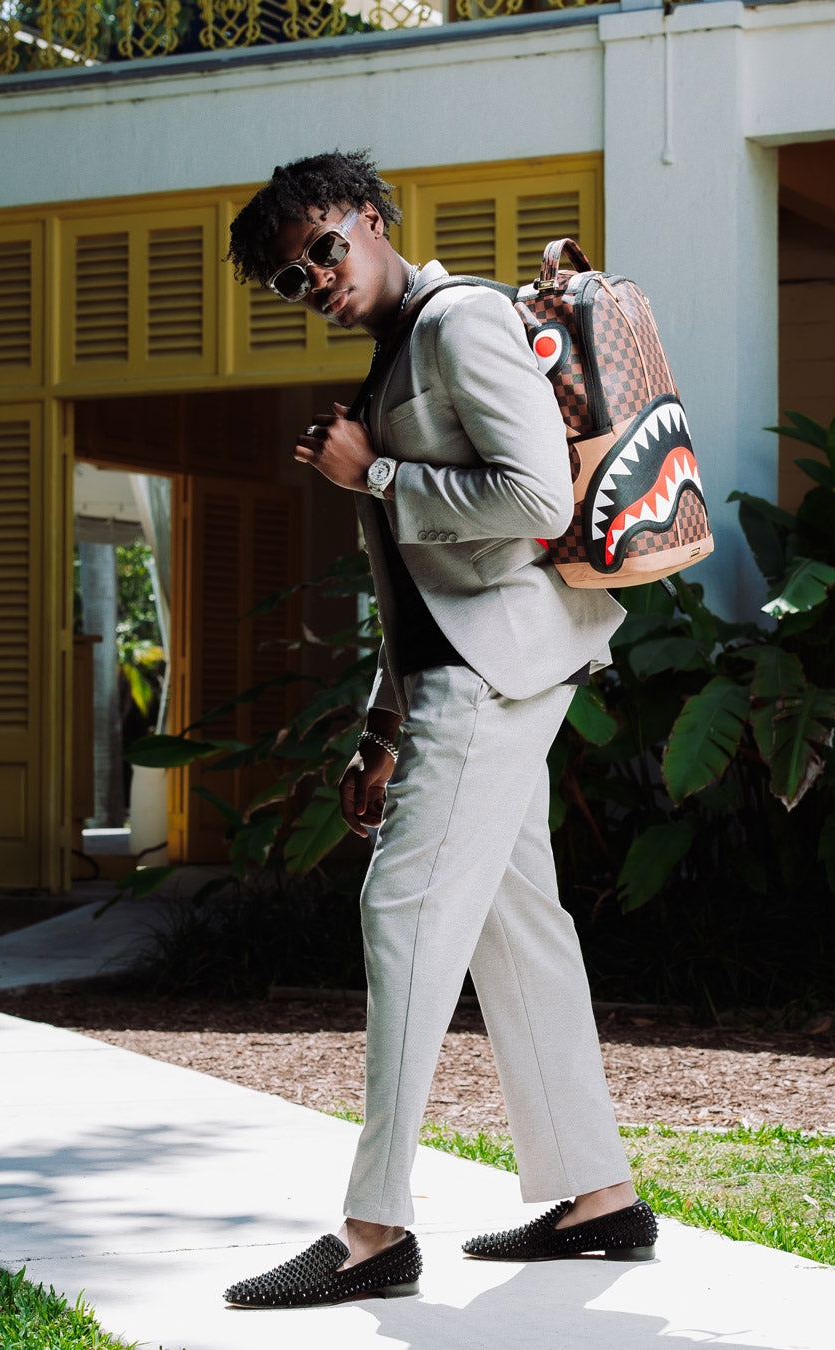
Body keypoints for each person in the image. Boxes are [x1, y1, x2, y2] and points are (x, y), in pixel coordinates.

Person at [221, 149, 657, 1309]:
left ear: (373, 220)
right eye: (291, 277)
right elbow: (414, 583)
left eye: (324, 248)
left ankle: (374, 1232)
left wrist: (375, 478)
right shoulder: (395, 353)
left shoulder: (458, 321)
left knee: (403, 911)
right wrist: (380, 730)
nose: (315, 279)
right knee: (518, 928)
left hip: (495, 670)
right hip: (463, 670)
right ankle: (599, 1196)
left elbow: (538, 498)